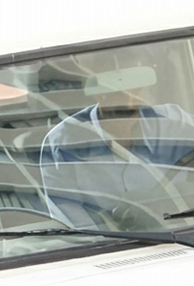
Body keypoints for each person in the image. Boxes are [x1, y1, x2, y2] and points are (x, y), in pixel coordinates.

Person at [40, 61, 194, 229]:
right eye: (116, 93)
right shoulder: (62, 144)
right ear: (97, 93)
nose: (127, 102)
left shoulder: (177, 124)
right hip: (112, 248)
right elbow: (77, 225)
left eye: (133, 89)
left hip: (183, 235)